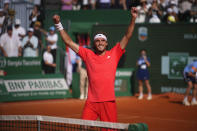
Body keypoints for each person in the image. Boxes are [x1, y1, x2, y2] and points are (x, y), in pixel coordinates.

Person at [53, 7, 138, 122]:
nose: (100, 43)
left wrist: (133, 18)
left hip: (108, 102)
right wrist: (58, 24)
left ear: (106, 43)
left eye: (103, 40)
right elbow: (68, 42)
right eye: (97, 41)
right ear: (94, 43)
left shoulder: (114, 53)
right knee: (84, 127)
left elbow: (127, 36)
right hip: (91, 103)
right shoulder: (88, 54)